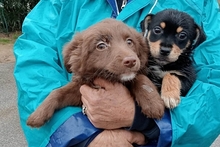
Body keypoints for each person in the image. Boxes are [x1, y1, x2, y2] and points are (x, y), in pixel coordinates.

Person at [13, 0, 220, 146]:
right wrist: (81, 134)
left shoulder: (201, 3)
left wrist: (150, 123)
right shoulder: (58, 3)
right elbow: (33, 65)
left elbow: (216, 81)